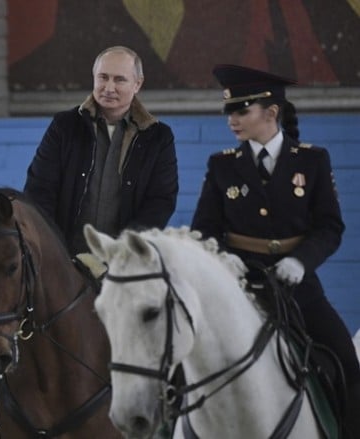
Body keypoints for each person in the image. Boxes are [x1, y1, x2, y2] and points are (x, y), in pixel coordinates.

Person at [191, 63, 360, 437]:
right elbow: (204, 229)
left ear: (271, 112)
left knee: (347, 364)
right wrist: (225, 259)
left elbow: (330, 227)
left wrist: (301, 262)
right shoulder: (221, 166)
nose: (232, 120)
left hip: (299, 290)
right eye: (229, 112)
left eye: (242, 110)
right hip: (239, 289)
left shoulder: (313, 161)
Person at [23, 45, 178, 254]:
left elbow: (160, 200)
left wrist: (125, 247)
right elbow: (39, 189)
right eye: (103, 77)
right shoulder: (64, 126)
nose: (109, 87)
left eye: (119, 79)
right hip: (64, 260)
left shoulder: (158, 138)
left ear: (137, 84)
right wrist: (53, 246)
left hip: (126, 261)